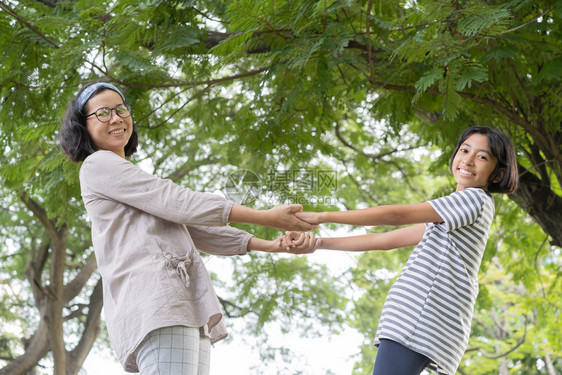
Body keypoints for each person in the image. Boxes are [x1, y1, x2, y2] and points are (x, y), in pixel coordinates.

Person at [58, 82, 318, 374]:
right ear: (83, 126)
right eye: (103, 113)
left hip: (181, 301)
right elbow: (177, 201)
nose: (116, 118)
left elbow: (189, 226)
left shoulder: (126, 177)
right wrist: (267, 216)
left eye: (121, 109)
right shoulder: (97, 165)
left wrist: (269, 244)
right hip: (157, 300)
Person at [287, 126, 518, 375]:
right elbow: (386, 240)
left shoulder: (474, 199)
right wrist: (320, 243)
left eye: (482, 157)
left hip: (419, 318)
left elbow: (396, 215)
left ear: (498, 174)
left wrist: (321, 216)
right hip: (422, 322)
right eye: (464, 150)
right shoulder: (451, 219)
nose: (468, 160)